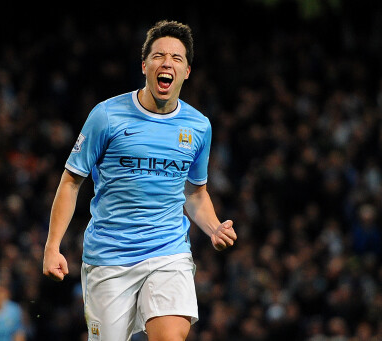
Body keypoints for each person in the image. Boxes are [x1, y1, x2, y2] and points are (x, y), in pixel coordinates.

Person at [42, 20, 237, 340]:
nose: (167, 63)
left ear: (187, 71)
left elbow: (195, 192)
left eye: (177, 58)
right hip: (109, 258)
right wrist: (52, 247)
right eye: (159, 55)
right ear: (145, 65)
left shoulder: (199, 126)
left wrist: (214, 227)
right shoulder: (106, 116)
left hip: (169, 253)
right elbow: (70, 182)